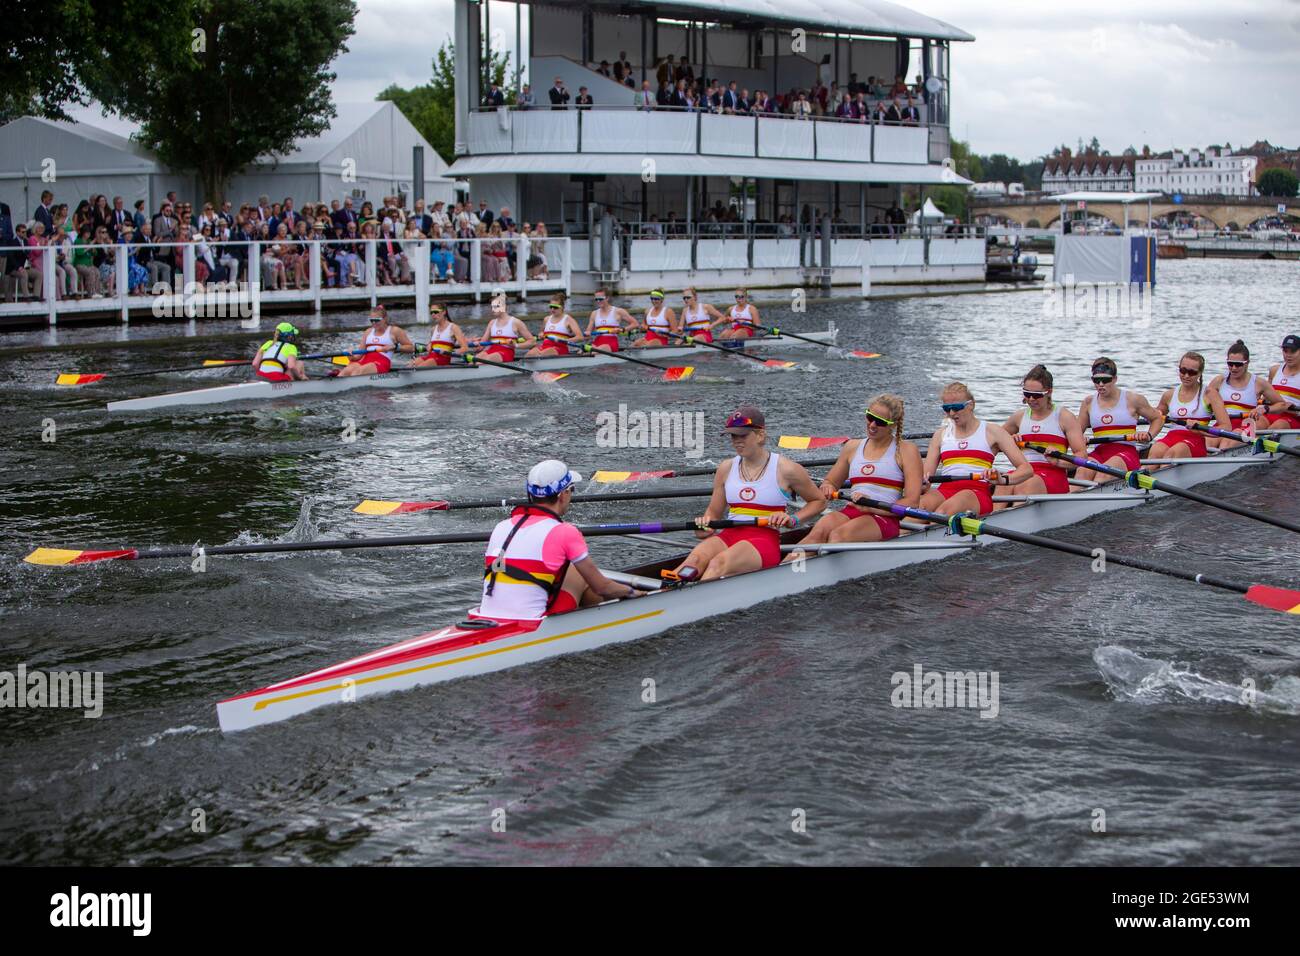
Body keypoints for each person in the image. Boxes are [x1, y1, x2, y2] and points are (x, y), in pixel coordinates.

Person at [671, 406, 825, 580]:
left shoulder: (787, 469)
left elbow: (819, 501)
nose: (737, 441)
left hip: (764, 540)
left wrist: (793, 519)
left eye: (743, 435)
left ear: (760, 435)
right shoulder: (726, 468)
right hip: (729, 534)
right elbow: (713, 513)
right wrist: (705, 527)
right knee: (694, 561)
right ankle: (655, 596)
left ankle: (687, 601)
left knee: (717, 564)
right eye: (733, 436)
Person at [472, 460, 639, 621]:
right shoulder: (564, 531)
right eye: (571, 489)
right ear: (563, 494)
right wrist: (634, 593)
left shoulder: (501, 526)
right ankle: (607, 624)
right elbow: (601, 587)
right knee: (577, 572)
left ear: (531, 494)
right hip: (531, 623)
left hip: (486, 616)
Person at [793, 395, 923, 549]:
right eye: (870, 417)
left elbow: (912, 502)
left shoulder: (907, 450)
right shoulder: (852, 447)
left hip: (884, 517)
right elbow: (831, 482)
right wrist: (827, 487)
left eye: (880, 422)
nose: (872, 425)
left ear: (892, 425)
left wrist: (870, 507)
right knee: (818, 532)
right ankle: (787, 568)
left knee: (837, 536)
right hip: (852, 510)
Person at [919, 382, 1033, 516]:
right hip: (945, 490)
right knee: (917, 508)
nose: (951, 413)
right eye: (946, 408)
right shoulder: (940, 435)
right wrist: (923, 485)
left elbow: (1026, 469)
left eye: (956, 407)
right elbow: (927, 478)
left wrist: (1002, 480)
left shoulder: (993, 431)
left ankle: (934, 532)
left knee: (943, 512)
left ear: (971, 405)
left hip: (976, 492)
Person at [1074, 357, 1165, 482]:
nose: (1100, 384)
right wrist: (1078, 440)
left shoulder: (1133, 399)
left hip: (1126, 453)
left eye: (1105, 380)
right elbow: (1076, 433)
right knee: (1081, 472)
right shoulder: (1088, 402)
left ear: (1115, 379)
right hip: (1099, 452)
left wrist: (1149, 435)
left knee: (1103, 474)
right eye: (1096, 380)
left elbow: (1158, 418)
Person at [1002, 364, 1088, 495]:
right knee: (1001, 483)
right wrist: (1009, 442)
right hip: (1025, 471)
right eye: (1027, 394)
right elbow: (993, 442)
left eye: (1036, 395)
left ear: (1049, 392)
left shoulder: (1065, 417)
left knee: (1027, 483)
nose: (1031, 399)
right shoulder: (1018, 417)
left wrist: (1058, 461)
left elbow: (1082, 455)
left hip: (1053, 476)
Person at [1149, 351, 1233, 464]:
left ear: (1200, 373)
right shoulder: (1169, 395)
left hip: (1195, 440)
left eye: (1192, 372)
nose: (1186, 376)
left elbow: (1226, 427)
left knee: (1174, 452)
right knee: (1155, 451)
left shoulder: (1210, 394)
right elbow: (1156, 418)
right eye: (1183, 371)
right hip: (1172, 437)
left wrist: (1199, 430)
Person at [336, 306, 417, 376]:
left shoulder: (395, 331)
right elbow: (358, 357)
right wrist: (351, 356)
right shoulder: (368, 332)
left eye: (377, 320)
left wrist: (395, 347)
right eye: (372, 320)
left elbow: (411, 348)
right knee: (345, 372)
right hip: (365, 361)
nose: (374, 323)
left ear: (385, 319)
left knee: (357, 372)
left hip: (381, 362)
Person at [475, 294, 535, 362]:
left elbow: (532, 342)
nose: (493, 309)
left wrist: (516, 345)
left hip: (506, 353)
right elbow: (482, 343)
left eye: (496, 306)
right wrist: (477, 345)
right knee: (476, 359)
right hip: (491, 350)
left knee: (486, 359)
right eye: (492, 307)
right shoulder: (491, 323)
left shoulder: (516, 322)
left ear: (504, 306)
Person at [412, 303, 471, 367]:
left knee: (422, 366)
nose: (433, 314)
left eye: (436, 312)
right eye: (431, 312)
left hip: (443, 359)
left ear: (444, 312)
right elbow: (431, 345)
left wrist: (452, 352)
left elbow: (465, 348)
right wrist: (429, 345)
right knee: (412, 363)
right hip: (431, 356)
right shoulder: (433, 329)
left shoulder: (453, 327)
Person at [1265, 334, 1300, 429]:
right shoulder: (1274, 371)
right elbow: (1266, 399)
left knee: (1278, 425)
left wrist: (1290, 410)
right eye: (1285, 351)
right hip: (1273, 413)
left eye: (1293, 351)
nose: (1288, 355)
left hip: (1294, 419)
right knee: (1258, 423)